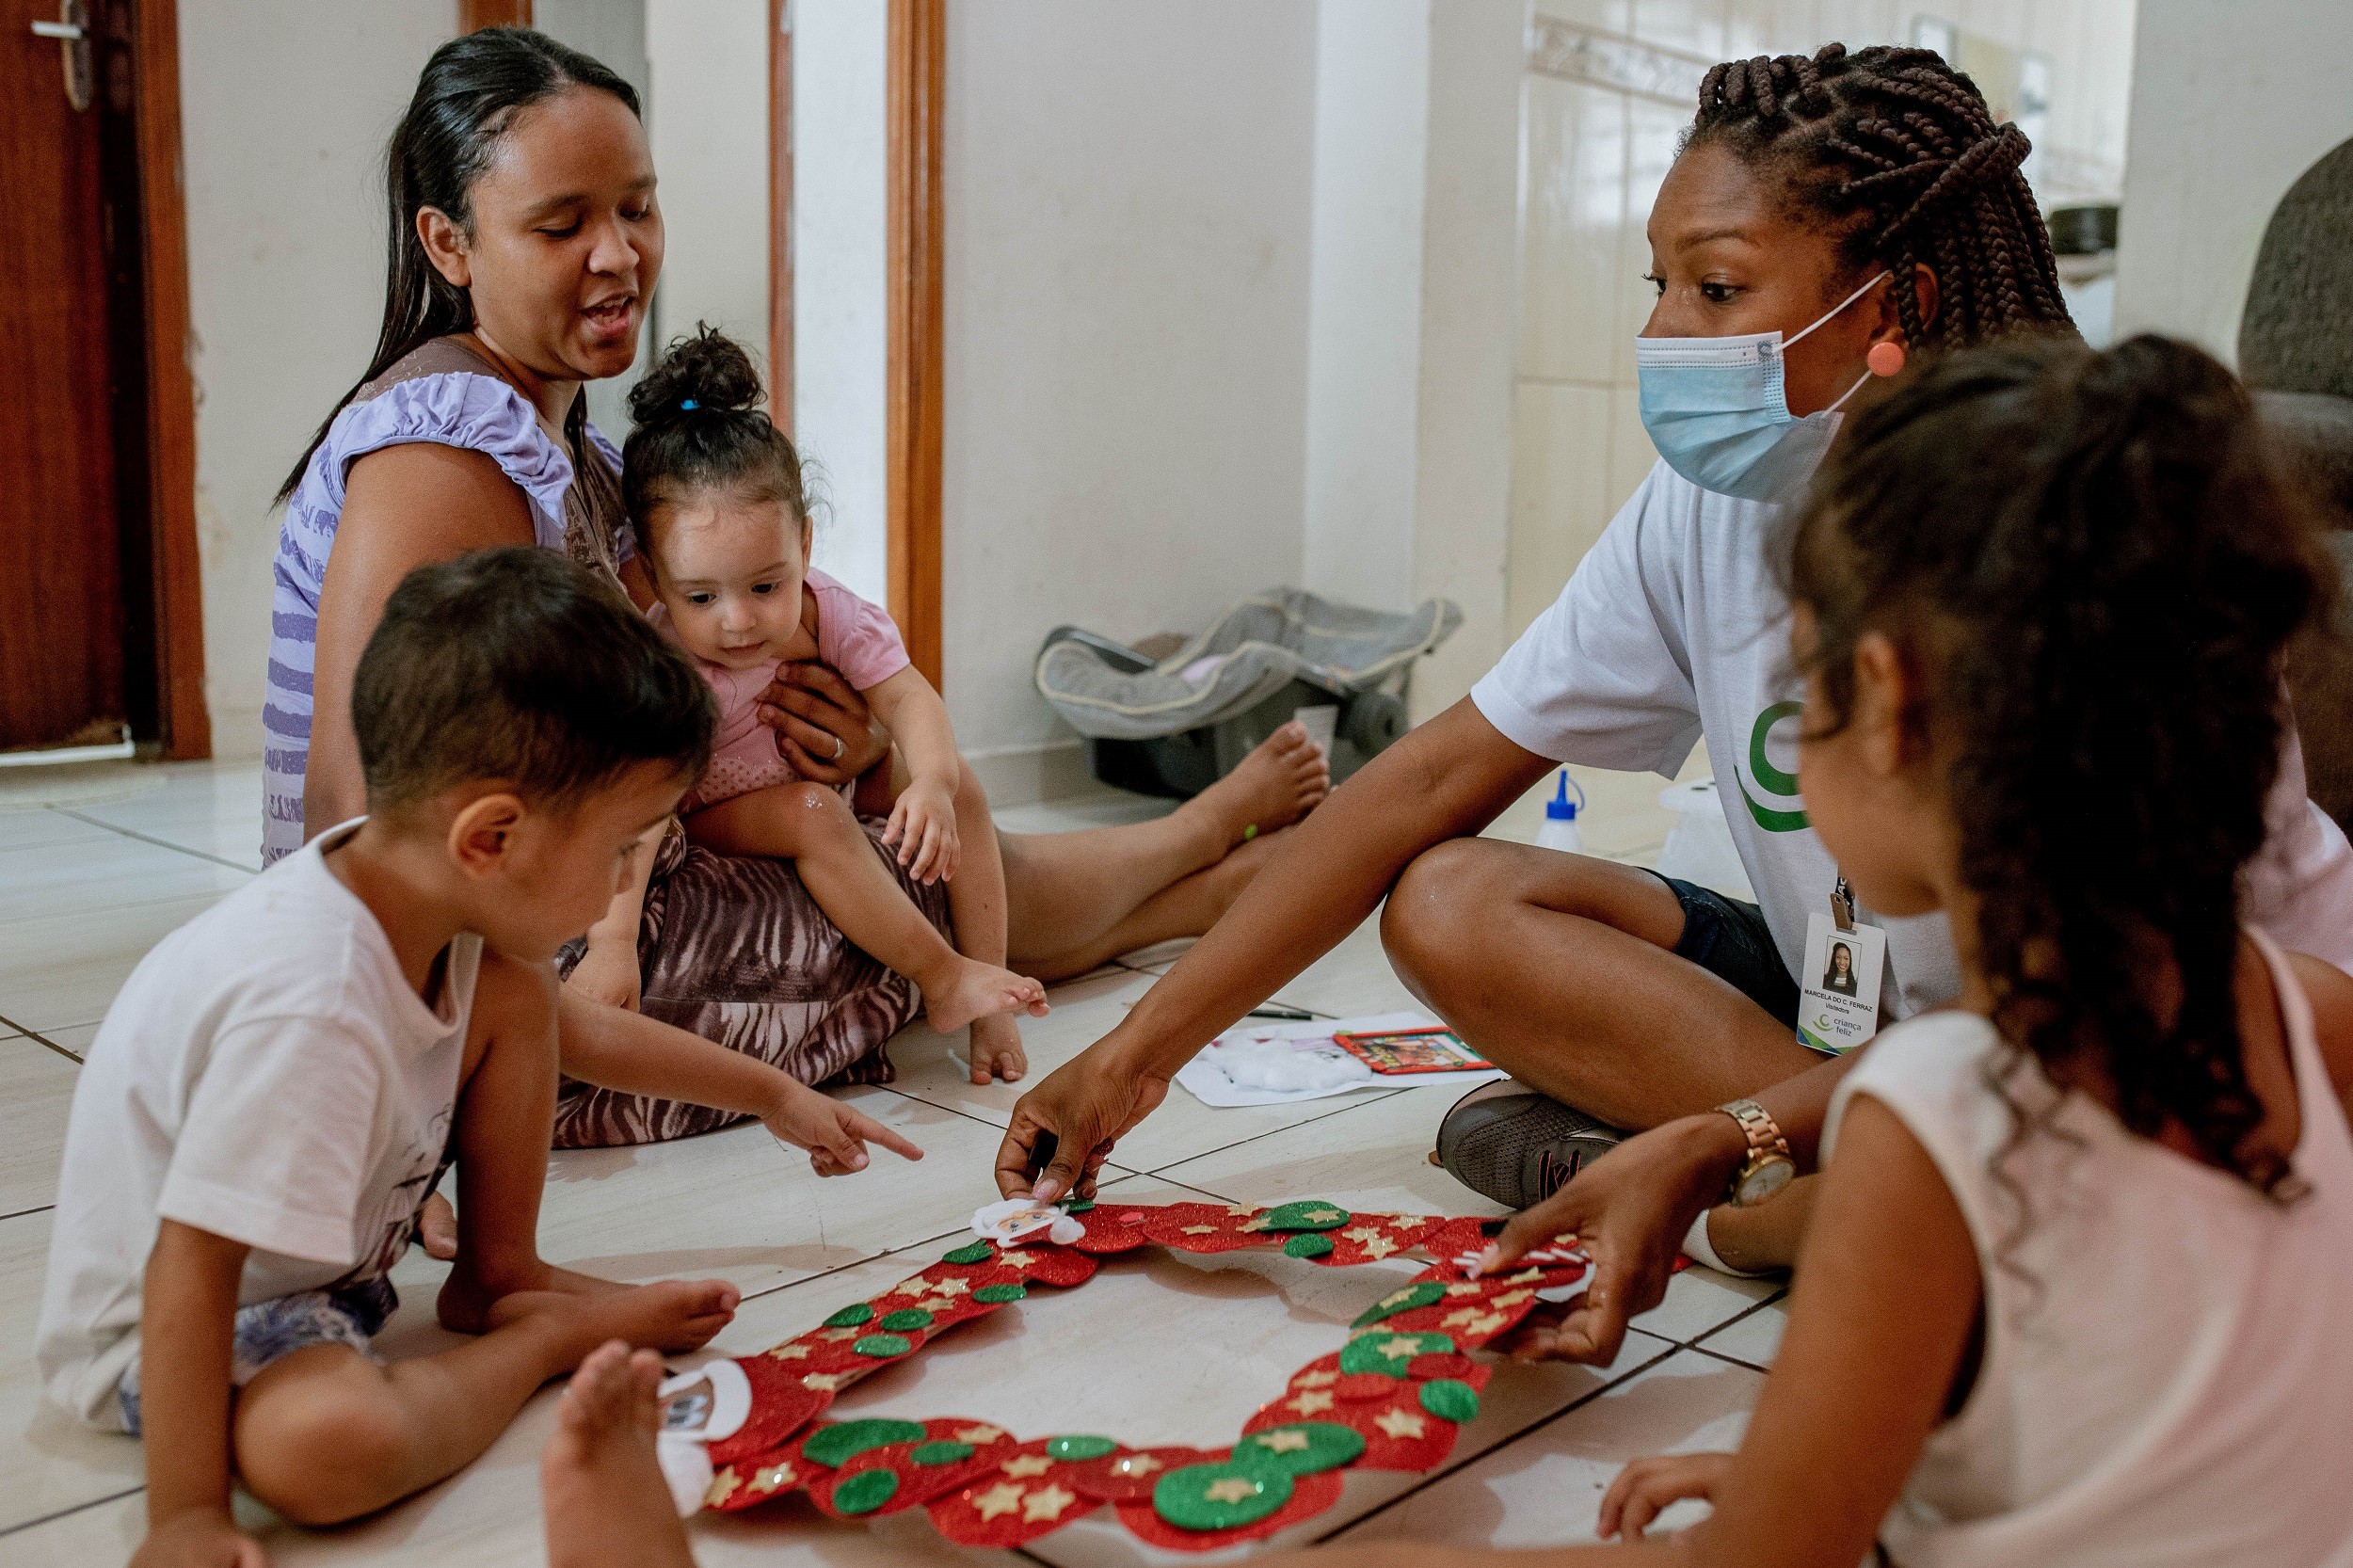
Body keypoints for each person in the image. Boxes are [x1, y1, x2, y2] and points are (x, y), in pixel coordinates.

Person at [990, 44, 2353, 1289]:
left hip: (2134, 1031)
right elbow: (1430, 778)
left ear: (1897, 303)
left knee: (2050, 1156)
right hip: (1876, 1016)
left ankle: (1797, 1201)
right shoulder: (1710, 504)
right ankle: (1827, 1176)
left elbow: (2083, 1015)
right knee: (1449, 896)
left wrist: (1719, 1144)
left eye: (1718, 288)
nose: (1664, 337)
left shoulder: (2071, 544)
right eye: (1659, 286)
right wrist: (1133, 1055)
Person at [268, 27, 1328, 1163]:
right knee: (883, 879)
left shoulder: (573, 446)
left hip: (607, 863)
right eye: (561, 225)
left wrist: (854, 736)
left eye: (637, 208)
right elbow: (355, 804)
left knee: (908, 826)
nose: (618, 254)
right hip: (508, 945)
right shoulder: (442, 450)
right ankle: (1198, 863)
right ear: (449, 242)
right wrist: (400, 1103)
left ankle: (1195, 865)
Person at [35, 551, 922, 1568]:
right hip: (181, 1325)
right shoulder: (310, 1007)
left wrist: (774, 1092)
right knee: (327, 1451)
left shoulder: (417, 883)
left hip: (317, 1281)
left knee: (516, 983)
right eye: (621, 849)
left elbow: (576, 1031)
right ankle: (534, 1336)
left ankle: (500, 1276)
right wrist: (187, 1516)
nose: (622, 883)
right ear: (491, 837)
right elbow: (191, 1268)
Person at [599, 327, 1049, 1073]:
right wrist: (614, 943)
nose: (739, 621)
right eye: (701, 596)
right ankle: (942, 977)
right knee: (813, 812)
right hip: (719, 810)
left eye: (765, 585)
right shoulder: (663, 663)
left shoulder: (827, 610)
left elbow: (907, 696)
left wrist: (934, 781)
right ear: (650, 574)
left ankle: (991, 1008)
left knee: (963, 784)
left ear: (804, 546)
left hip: (820, 772)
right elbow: (639, 802)